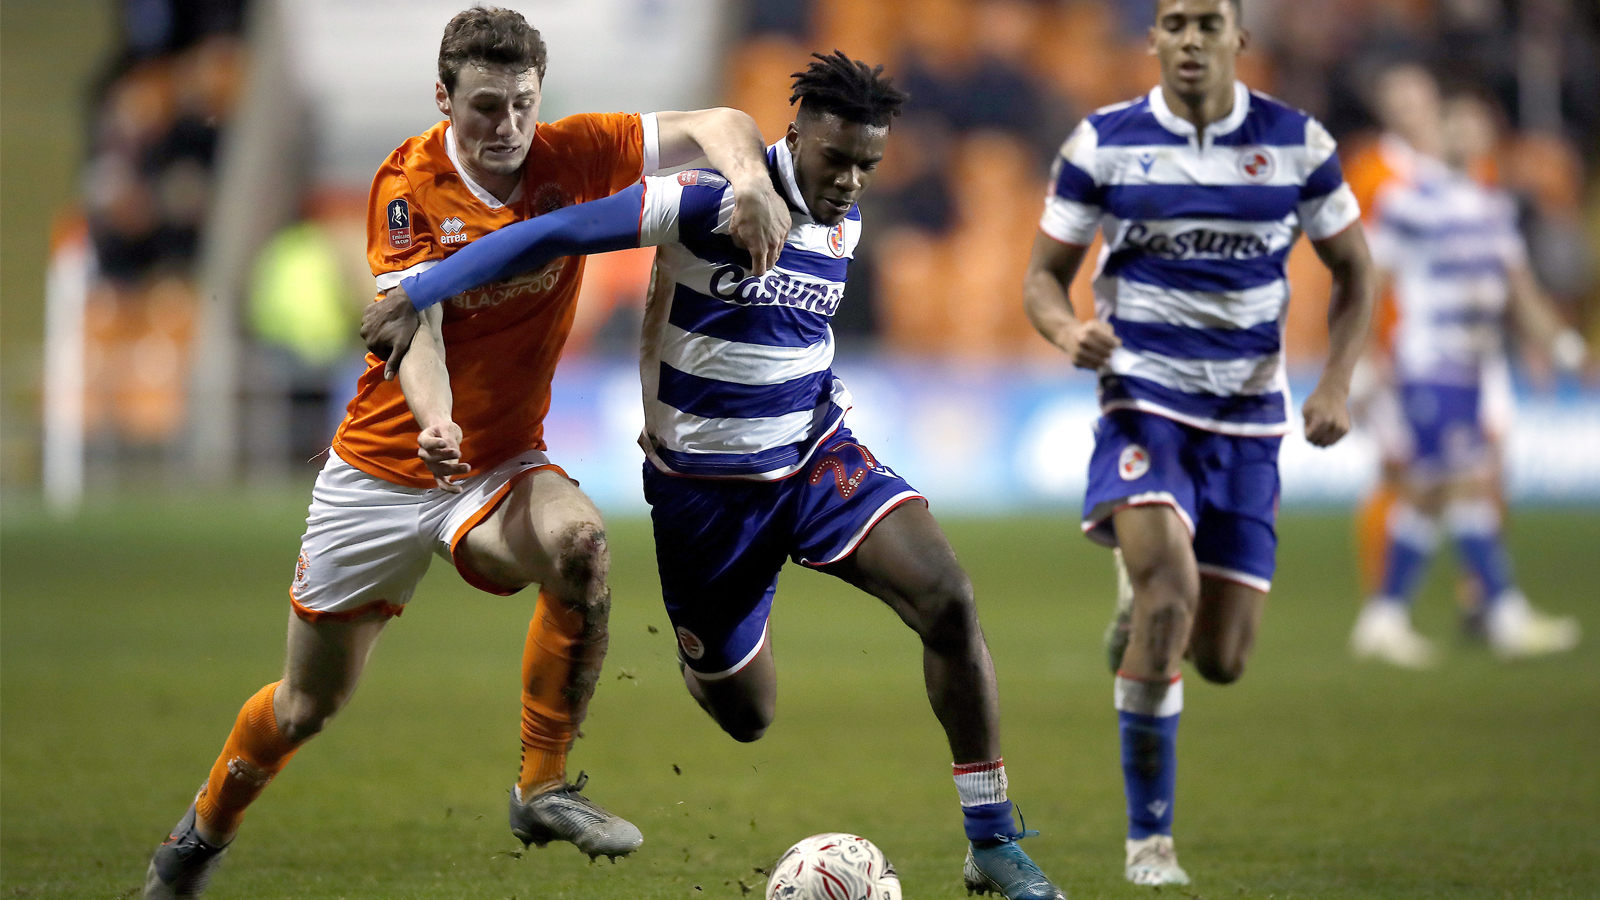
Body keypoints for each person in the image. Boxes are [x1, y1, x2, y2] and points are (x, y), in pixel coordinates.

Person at [362, 50, 1068, 900]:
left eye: (867, 167)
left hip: (815, 453)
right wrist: (421, 289)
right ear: (794, 136)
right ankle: (706, 655)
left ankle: (991, 839)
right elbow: (553, 232)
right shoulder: (704, 203)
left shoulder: (843, 217)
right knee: (747, 716)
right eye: (835, 159)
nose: (849, 182)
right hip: (704, 497)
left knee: (948, 599)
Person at [142, 8, 790, 898]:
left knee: (582, 547)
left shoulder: (576, 151)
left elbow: (721, 124)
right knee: (306, 706)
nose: (508, 129)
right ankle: (199, 836)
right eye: (485, 107)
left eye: (523, 104)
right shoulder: (406, 186)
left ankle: (543, 785)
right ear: (442, 98)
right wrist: (435, 421)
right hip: (379, 472)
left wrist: (750, 180)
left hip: (495, 468)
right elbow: (419, 329)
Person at [1021, 0, 1376, 886]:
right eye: (1173, 22)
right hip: (1143, 405)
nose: (1189, 39)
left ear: (1239, 39)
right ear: (1152, 39)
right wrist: (1068, 335)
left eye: (1208, 23)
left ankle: (1137, 614)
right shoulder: (1103, 143)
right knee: (1169, 594)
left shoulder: (1299, 144)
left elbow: (1357, 272)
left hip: (1250, 421)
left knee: (1220, 659)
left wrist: (1336, 381)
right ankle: (1151, 842)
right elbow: (1042, 279)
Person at [1347, 87, 1583, 665]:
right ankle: (1500, 611)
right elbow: (1371, 279)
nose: (1467, 136)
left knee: (1440, 489)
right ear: (1441, 134)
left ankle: (1385, 618)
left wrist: (1560, 342)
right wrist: (1359, 358)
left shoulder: (1492, 207)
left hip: (1473, 366)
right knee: (1458, 482)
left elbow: (1517, 289)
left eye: (1478, 127)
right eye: (1458, 125)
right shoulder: (1409, 202)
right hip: (1425, 360)